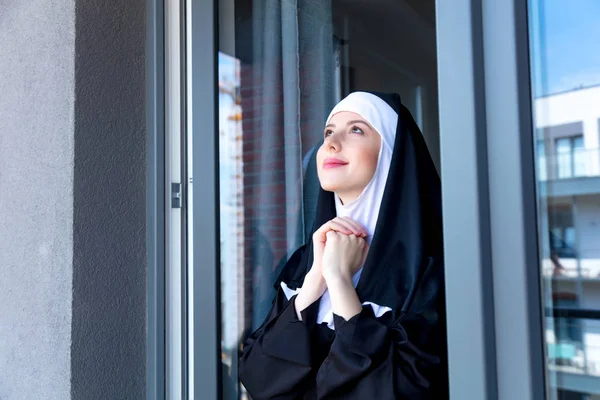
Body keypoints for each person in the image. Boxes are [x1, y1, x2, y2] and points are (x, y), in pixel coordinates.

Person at [239, 91, 448, 399]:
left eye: (356, 129)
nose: (331, 144)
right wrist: (316, 280)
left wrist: (339, 283)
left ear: (391, 151)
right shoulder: (303, 263)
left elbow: (399, 391)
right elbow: (259, 379)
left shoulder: (427, 271)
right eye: (328, 132)